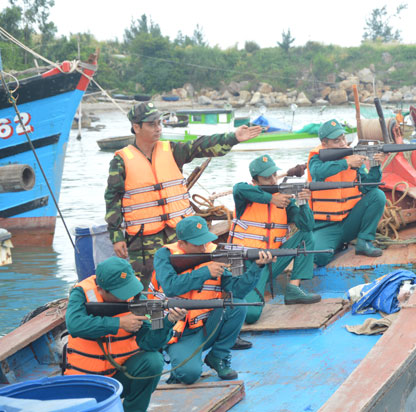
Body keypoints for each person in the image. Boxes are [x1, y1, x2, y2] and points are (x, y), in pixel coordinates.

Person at [105, 102, 262, 289]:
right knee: (146, 287)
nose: (158, 128)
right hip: (142, 240)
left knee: (188, 277)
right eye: (152, 124)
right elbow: (112, 199)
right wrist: (116, 236)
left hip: (179, 234)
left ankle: (190, 316)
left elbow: (199, 146)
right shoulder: (121, 161)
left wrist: (233, 137)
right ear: (136, 127)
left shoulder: (171, 150)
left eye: (159, 123)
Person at [151, 215, 275, 383]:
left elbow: (236, 291)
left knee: (237, 304)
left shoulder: (214, 252)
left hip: (207, 324)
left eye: (205, 241)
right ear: (181, 244)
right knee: (188, 375)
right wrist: (206, 272)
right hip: (178, 331)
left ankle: (218, 356)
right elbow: (171, 287)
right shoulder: (164, 255)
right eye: (197, 244)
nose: (203, 248)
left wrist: (257, 266)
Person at [64, 256, 187, 412]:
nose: (125, 297)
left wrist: (168, 321)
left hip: (118, 375)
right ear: (101, 289)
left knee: (153, 361)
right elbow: (74, 325)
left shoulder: (137, 298)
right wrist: (119, 323)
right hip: (83, 381)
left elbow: (149, 343)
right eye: (119, 293)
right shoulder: (81, 293)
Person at [229, 154, 321, 324]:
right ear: (255, 182)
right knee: (250, 315)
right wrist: (272, 199)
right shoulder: (246, 195)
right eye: (266, 178)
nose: (272, 181)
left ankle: (293, 288)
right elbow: (238, 188)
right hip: (246, 264)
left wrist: (302, 202)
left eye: (273, 175)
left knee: (306, 237)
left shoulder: (284, 199)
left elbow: (306, 226)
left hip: (271, 261)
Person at [307, 119, 386, 266]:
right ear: (325, 144)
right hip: (325, 225)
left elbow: (368, 187)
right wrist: (346, 163)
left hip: (350, 221)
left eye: (343, 138)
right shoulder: (317, 157)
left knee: (377, 195)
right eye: (337, 141)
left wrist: (375, 165)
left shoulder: (352, 157)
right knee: (319, 258)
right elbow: (317, 172)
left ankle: (364, 241)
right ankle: (335, 244)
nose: (343, 143)